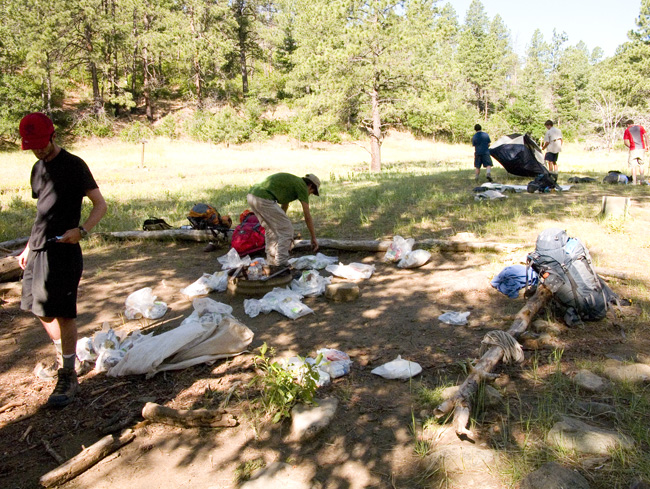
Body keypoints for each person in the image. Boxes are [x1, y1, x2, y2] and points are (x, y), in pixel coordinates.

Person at [17, 112, 107, 408]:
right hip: (40, 248)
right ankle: (68, 357)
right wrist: (29, 246)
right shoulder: (37, 169)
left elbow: (100, 205)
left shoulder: (74, 165)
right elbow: (43, 213)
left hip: (65, 250)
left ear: (52, 136)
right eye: (32, 145)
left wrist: (81, 230)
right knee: (38, 308)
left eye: (41, 144)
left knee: (64, 313)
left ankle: (68, 375)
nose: (38, 150)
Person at [246, 173, 320, 268]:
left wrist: (280, 226)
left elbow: (284, 206)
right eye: (312, 192)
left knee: (271, 230)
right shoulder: (302, 186)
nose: (310, 194)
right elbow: (307, 215)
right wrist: (313, 237)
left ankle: (271, 262)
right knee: (287, 229)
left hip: (252, 195)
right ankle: (281, 264)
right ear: (310, 186)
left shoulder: (293, 183)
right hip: (263, 198)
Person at [623, 119, 648, 185]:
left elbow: (625, 142)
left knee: (633, 166)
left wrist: (630, 146)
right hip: (641, 148)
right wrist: (647, 145)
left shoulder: (627, 130)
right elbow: (646, 136)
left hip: (633, 149)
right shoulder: (640, 127)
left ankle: (634, 182)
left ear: (628, 124)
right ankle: (642, 180)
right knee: (641, 165)